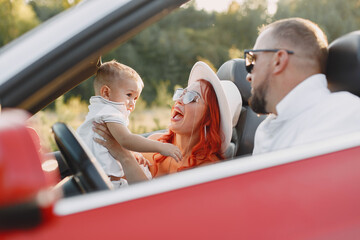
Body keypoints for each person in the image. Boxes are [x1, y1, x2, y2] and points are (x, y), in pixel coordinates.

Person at [93, 61, 242, 180]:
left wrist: (123, 155)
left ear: (209, 118)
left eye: (192, 97)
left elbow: (153, 209)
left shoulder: (209, 171)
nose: (180, 101)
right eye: (181, 93)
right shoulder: (154, 143)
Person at [244, 17, 360, 154]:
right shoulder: (265, 128)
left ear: (278, 61)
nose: (248, 76)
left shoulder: (345, 118)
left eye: (253, 60)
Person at [77, 60, 182, 188]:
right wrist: (161, 147)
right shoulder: (110, 112)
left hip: (97, 178)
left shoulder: (98, 110)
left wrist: (132, 154)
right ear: (106, 93)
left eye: (136, 98)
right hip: (110, 183)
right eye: (129, 95)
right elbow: (126, 139)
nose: (132, 102)